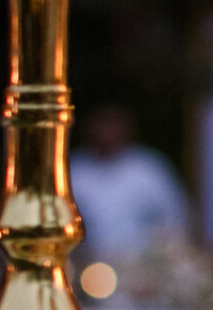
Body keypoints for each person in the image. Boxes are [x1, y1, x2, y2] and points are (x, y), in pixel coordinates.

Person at [71, 105, 190, 265]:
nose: (107, 131)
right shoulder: (75, 169)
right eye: (102, 124)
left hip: (142, 271)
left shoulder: (149, 168)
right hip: (88, 268)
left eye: (113, 124)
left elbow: (174, 219)